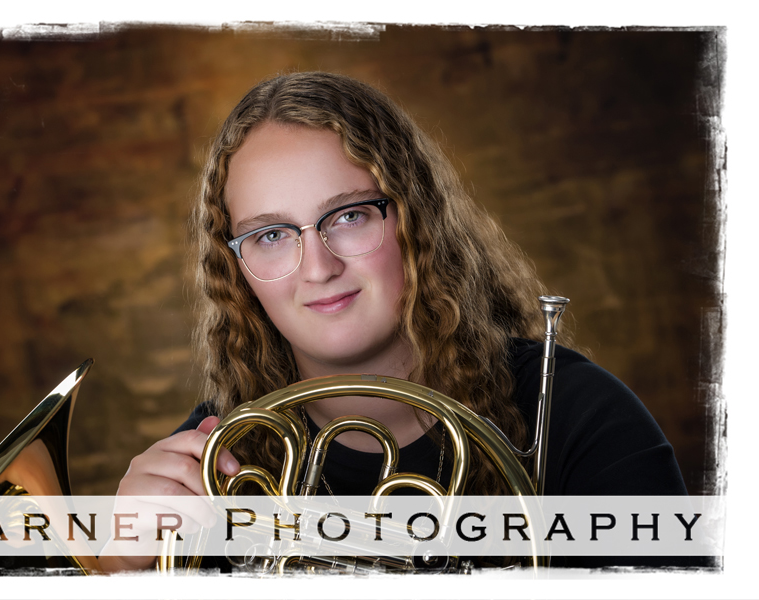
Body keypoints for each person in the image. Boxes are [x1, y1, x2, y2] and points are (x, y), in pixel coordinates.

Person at [98, 71, 690, 573]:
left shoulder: (578, 418)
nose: (319, 267)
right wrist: (124, 571)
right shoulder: (214, 460)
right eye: (271, 235)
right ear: (237, 268)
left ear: (415, 220)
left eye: (350, 216)